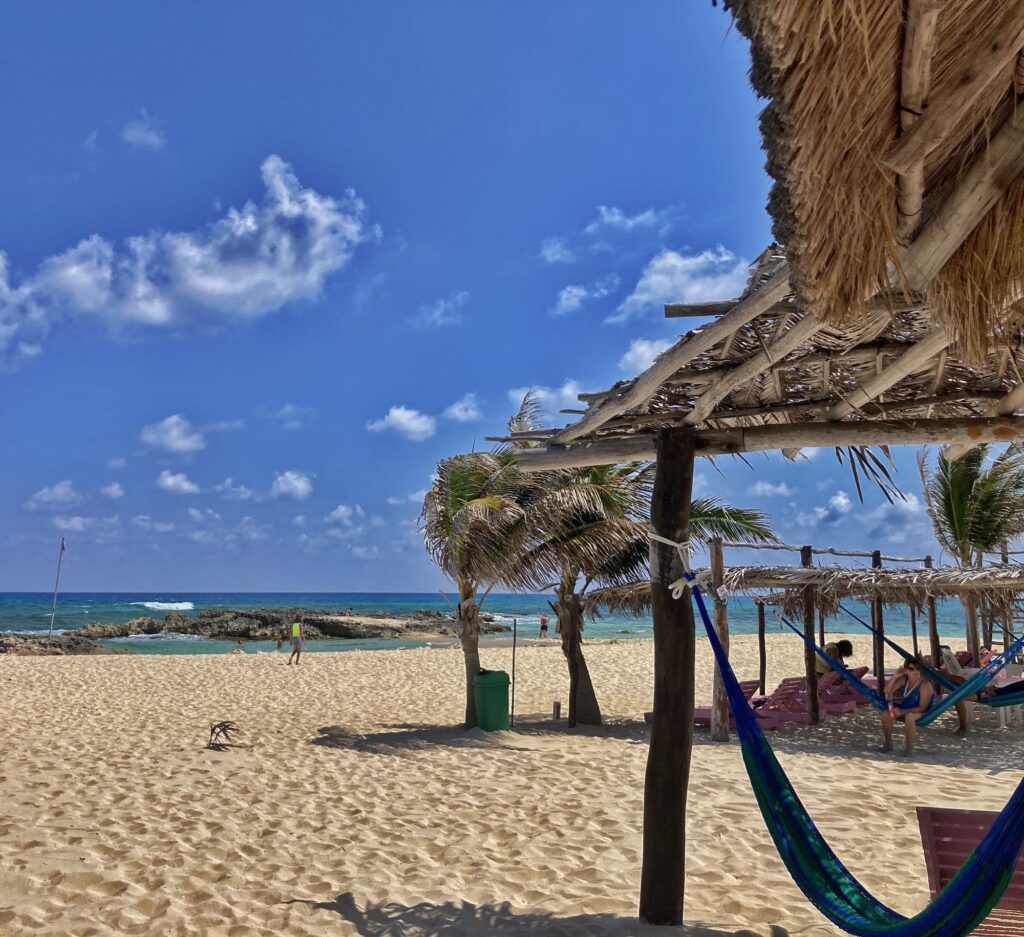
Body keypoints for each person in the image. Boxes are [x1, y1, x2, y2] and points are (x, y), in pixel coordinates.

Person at [881, 655, 934, 755]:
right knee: (885, 713)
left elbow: (922, 708)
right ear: (906, 670)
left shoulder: (925, 685)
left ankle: (909, 750)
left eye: (918, 668)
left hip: (923, 713)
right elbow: (887, 691)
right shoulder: (904, 680)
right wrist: (895, 676)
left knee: (909, 717)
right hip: (906, 709)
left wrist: (901, 712)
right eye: (911, 668)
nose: (915, 671)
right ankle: (888, 744)